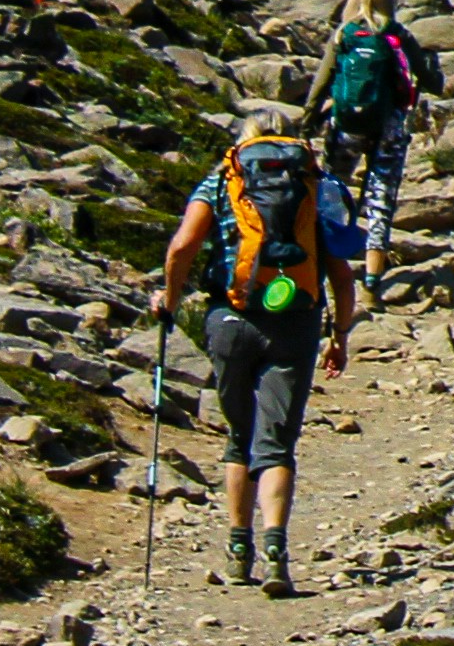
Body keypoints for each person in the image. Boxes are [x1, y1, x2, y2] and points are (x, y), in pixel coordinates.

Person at [151, 108, 358, 593]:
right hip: (295, 321)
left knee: (238, 434)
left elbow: (182, 247)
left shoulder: (223, 178)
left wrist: (171, 298)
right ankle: (276, 551)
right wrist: (340, 335)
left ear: (244, 140)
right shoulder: (314, 182)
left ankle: (238, 547)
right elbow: (343, 273)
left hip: (229, 318)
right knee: (277, 441)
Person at [309, 0, 439, 260]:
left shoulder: (344, 35)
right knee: (381, 200)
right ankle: (372, 282)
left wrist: (307, 126)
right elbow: (430, 82)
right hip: (389, 127)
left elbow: (320, 85)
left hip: (346, 125)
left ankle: (326, 263)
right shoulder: (397, 35)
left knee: (331, 192)